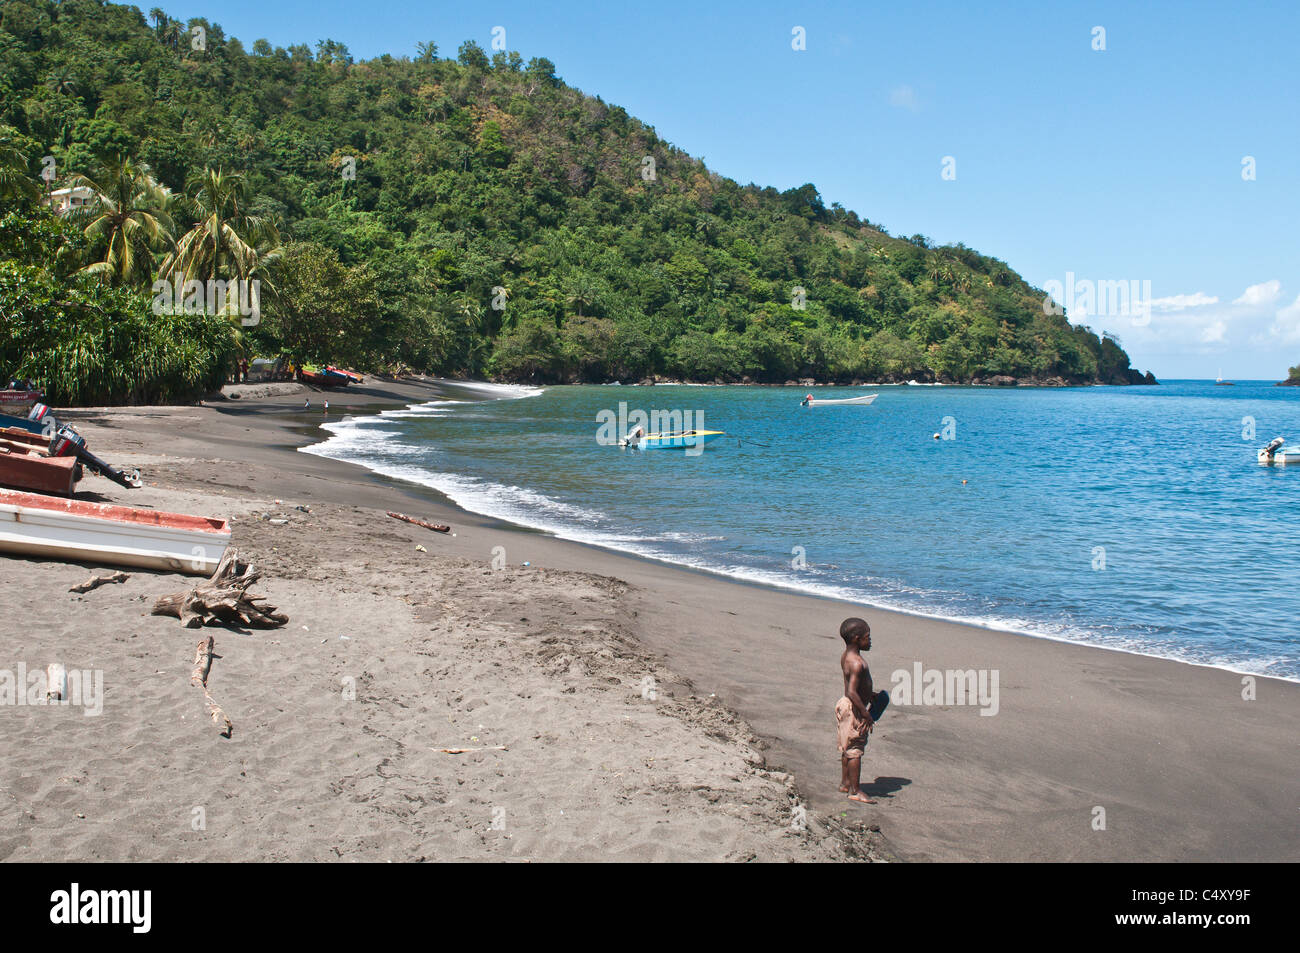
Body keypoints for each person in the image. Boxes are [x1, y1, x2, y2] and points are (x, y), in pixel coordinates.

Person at [836, 617, 889, 803]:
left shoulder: (847, 656)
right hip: (854, 709)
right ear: (857, 638)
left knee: (847, 747)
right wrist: (866, 713)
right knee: (855, 749)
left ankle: (845, 783)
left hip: (847, 705)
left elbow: (855, 687)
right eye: (868, 637)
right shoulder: (858, 663)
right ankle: (856, 790)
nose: (870, 640)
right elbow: (852, 691)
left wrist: (870, 694)